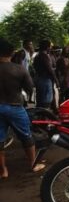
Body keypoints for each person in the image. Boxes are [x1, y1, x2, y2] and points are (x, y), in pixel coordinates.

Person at [0, 38, 46, 178]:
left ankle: (3, 171)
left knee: (0, 140)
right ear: (12, 52)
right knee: (26, 136)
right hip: (15, 107)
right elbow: (30, 88)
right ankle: (33, 164)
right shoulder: (19, 69)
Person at [32, 40, 56, 110]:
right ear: (47, 47)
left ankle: (40, 117)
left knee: (40, 100)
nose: (51, 48)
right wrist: (56, 80)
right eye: (50, 47)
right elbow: (49, 69)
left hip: (39, 78)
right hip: (44, 79)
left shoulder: (37, 55)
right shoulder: (44, 56)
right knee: (46, 102)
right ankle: (43, 118)